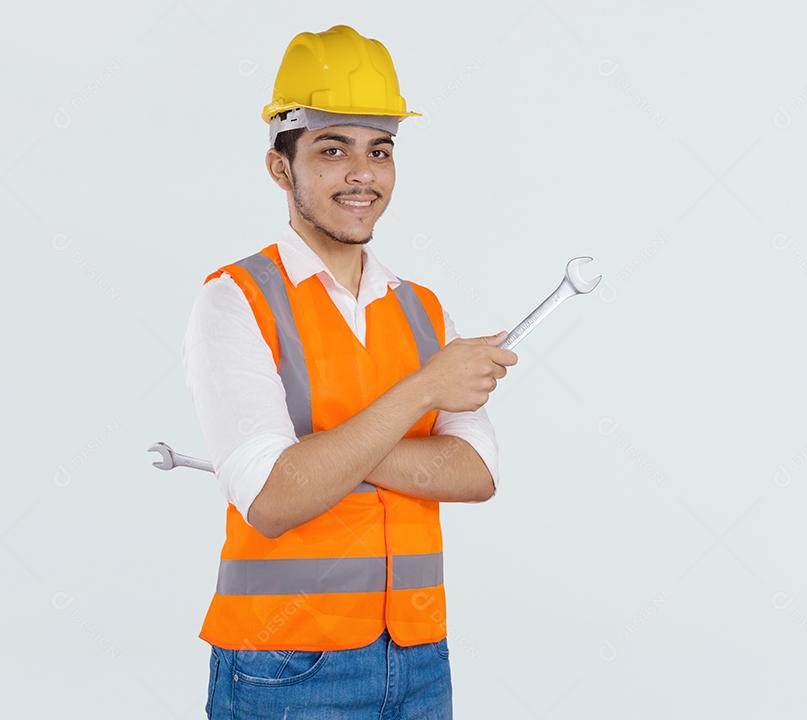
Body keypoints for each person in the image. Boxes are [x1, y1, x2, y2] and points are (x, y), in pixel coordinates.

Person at [180, 24, 517, 719]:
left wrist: (324, 459)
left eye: (379, 151)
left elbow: (475, 474)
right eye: (333, 150)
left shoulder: (423, 311)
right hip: (286, 667)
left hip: (420, 657)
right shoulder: (234, 302)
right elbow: (274, 502)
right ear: (281, 167)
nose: (363, 174)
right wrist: (426, 389)